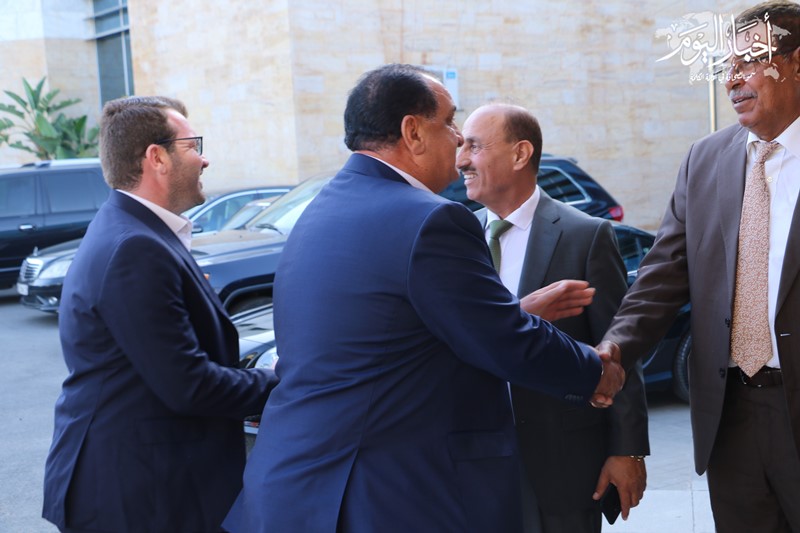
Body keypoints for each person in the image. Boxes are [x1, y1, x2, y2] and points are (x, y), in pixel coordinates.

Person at [223, 64, 626, 533]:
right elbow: (502, 339)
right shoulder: (432, 220)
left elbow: (391, 334)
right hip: (383, 496)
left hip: (295, 491)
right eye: (449, 122)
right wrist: (596, 370)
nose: (457, 140)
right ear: (412, 132)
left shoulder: (318, 212)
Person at [598, 2, 800, 531]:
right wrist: (615, 349)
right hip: (729, 417)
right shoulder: (704, 160)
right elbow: (661, 276)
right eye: (726, 67)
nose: (731, 80)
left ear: (796, 64)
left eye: (749, 62)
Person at [41, 96, 278, 532]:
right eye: (192, 146)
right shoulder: (135, 247)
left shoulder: (133, 230)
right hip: (136, 496)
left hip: (144, 483)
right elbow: (188, 385)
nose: (204, 160)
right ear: (157, 158)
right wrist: (282, 380)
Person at [457, 103, 649, 533]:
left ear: (520, 154)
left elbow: (618, 348)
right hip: (474, 465)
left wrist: (627, 450)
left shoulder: (585, 235)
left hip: (561, 467)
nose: (460, 160)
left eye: (474, 146)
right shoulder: (456, 239)